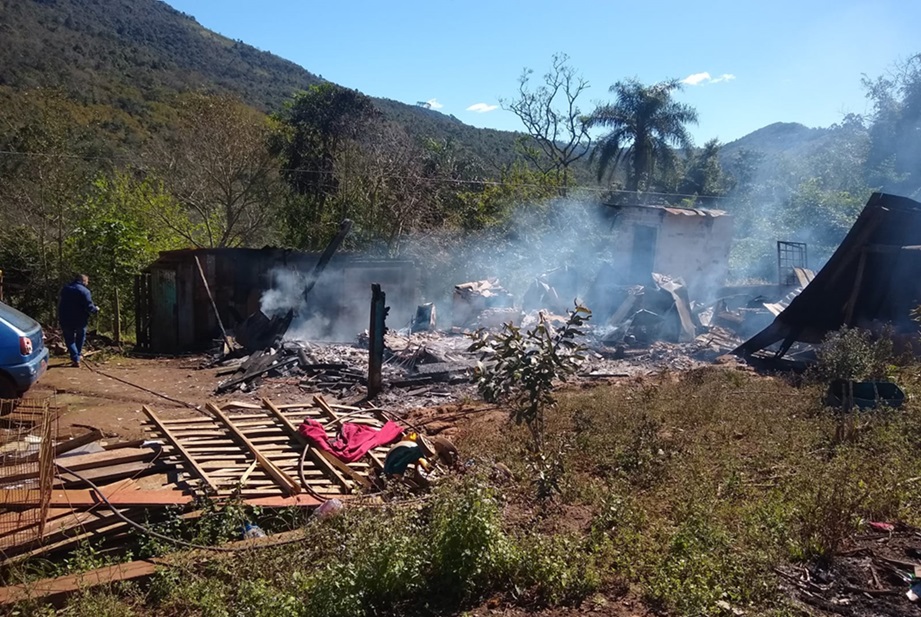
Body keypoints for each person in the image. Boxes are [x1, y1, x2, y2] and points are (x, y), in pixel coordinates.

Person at [58, 274, 98, 367]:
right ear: (83, 281)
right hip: (80, 319)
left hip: (65, 318)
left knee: (69, 339)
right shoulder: (85, 291)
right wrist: (95, 309)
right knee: (80, 337)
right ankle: (77, 356)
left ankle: (75, 357)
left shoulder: (65, 289)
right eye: (87, 282)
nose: (87, 284)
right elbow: (89, 306)